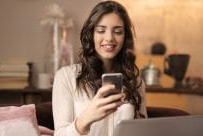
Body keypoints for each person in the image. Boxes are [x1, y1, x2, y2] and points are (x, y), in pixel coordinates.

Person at [52, 1, 147, 136]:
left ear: (125, 37)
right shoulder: (66, 77)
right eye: (101, 30)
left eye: (118, 31)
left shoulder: (135, 80)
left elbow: (143, 130)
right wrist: (87, 118)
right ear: (91, 34)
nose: (109, 38)